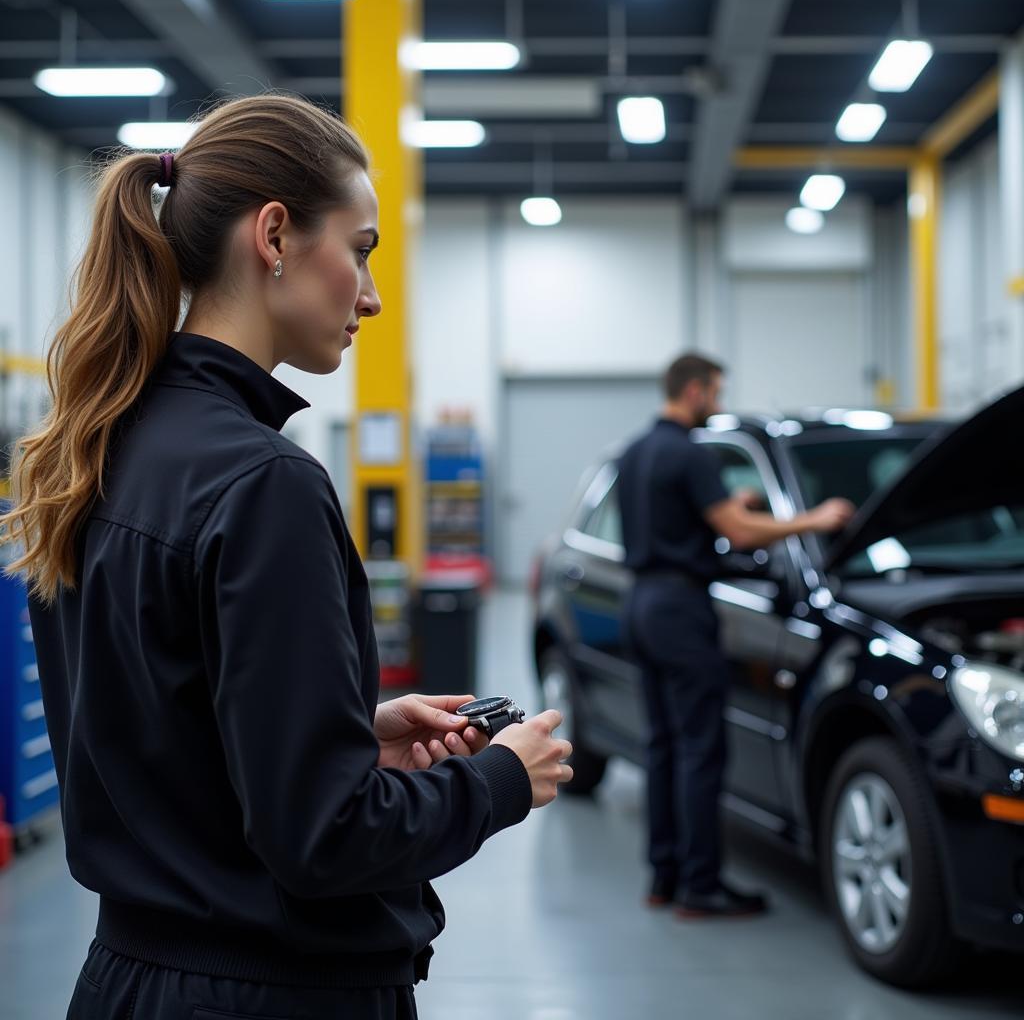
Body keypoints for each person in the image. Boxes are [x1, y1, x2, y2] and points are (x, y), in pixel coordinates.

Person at [0, 94, 572, 1019]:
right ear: (273, 236)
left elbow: (166, 738)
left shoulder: (102, 449)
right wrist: (499, 778)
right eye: (362, 249)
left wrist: (342, 727)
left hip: (127, 981)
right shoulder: (266, 485)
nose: (373, 294)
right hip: (268, 995)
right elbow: (324, 839)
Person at [617, 353, 853, 919]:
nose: (718, 405)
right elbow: (740, 532)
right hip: (681, 609)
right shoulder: (691, 453)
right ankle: (702, 887)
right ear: (695, 391)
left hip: (641, 603)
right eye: (716, 393)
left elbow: (688, 514)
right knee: (701, 750)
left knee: (664, 746)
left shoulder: (636, 452)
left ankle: (664, 876)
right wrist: (813, 520)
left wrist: (728, 505)